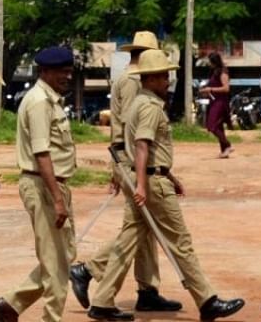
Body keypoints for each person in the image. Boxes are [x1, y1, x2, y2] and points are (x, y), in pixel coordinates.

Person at [81, 50, 245, 321]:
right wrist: (145, 185)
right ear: (150, 78)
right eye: (163, 75)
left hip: (148, 177)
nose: (168, 80)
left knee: (127, 241)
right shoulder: (149, 107)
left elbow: (149, 150)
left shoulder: (139, 103)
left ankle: (102, 301)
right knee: (180, 242)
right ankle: (206, 300)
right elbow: (142, 146)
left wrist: (168, 176)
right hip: (151, 183)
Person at [69, 32, 177, 315]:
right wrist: (131, 170)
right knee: (137, 228)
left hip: (127, 157)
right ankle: (88, 269)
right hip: (131, 157)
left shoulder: (125, 78)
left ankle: (147, 289)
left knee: (143, 228)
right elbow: (136, 130)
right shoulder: (133, 82)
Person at [0, 46, 78, 322]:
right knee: (55, 264)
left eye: (68, 71)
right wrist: (57, 199)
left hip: (54, 185)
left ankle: (11, 305)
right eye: (61, 71)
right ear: (45, 72)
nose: (67, 76)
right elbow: (42, 154)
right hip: (43, 186)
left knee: (65, 254)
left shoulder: (50, 100)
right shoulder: (39, 102)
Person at [199, 52, 233, 158]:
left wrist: (211, 89)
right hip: (214, 101)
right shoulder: (214, 72)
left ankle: (228, 144)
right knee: (218, 125)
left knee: (211, 125)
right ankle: (224, 150)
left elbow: (226, 88)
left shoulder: (223, 71)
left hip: (221, 102)